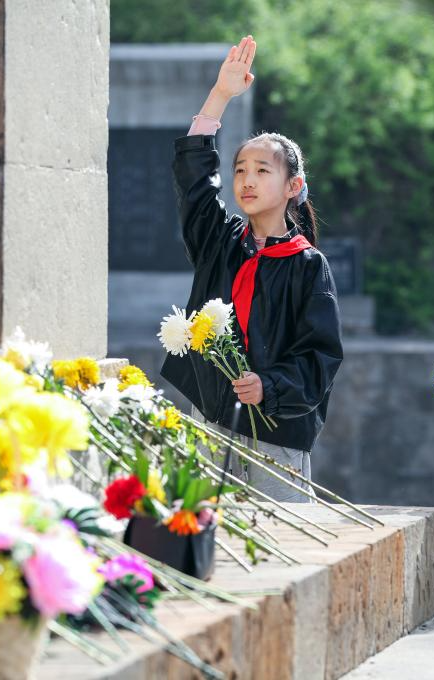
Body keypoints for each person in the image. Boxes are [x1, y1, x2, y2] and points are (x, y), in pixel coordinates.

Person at [161, 36, 343, 503]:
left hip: (277, 443)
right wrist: (219, 96)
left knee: (279, 556)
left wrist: (270, 386)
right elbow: (196, 185)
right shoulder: (219, 243)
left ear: (292, 186)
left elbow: (320, 359)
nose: (246, 180)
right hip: (213, 430)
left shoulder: (308, 267)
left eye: (263, 171)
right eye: (240, 169)